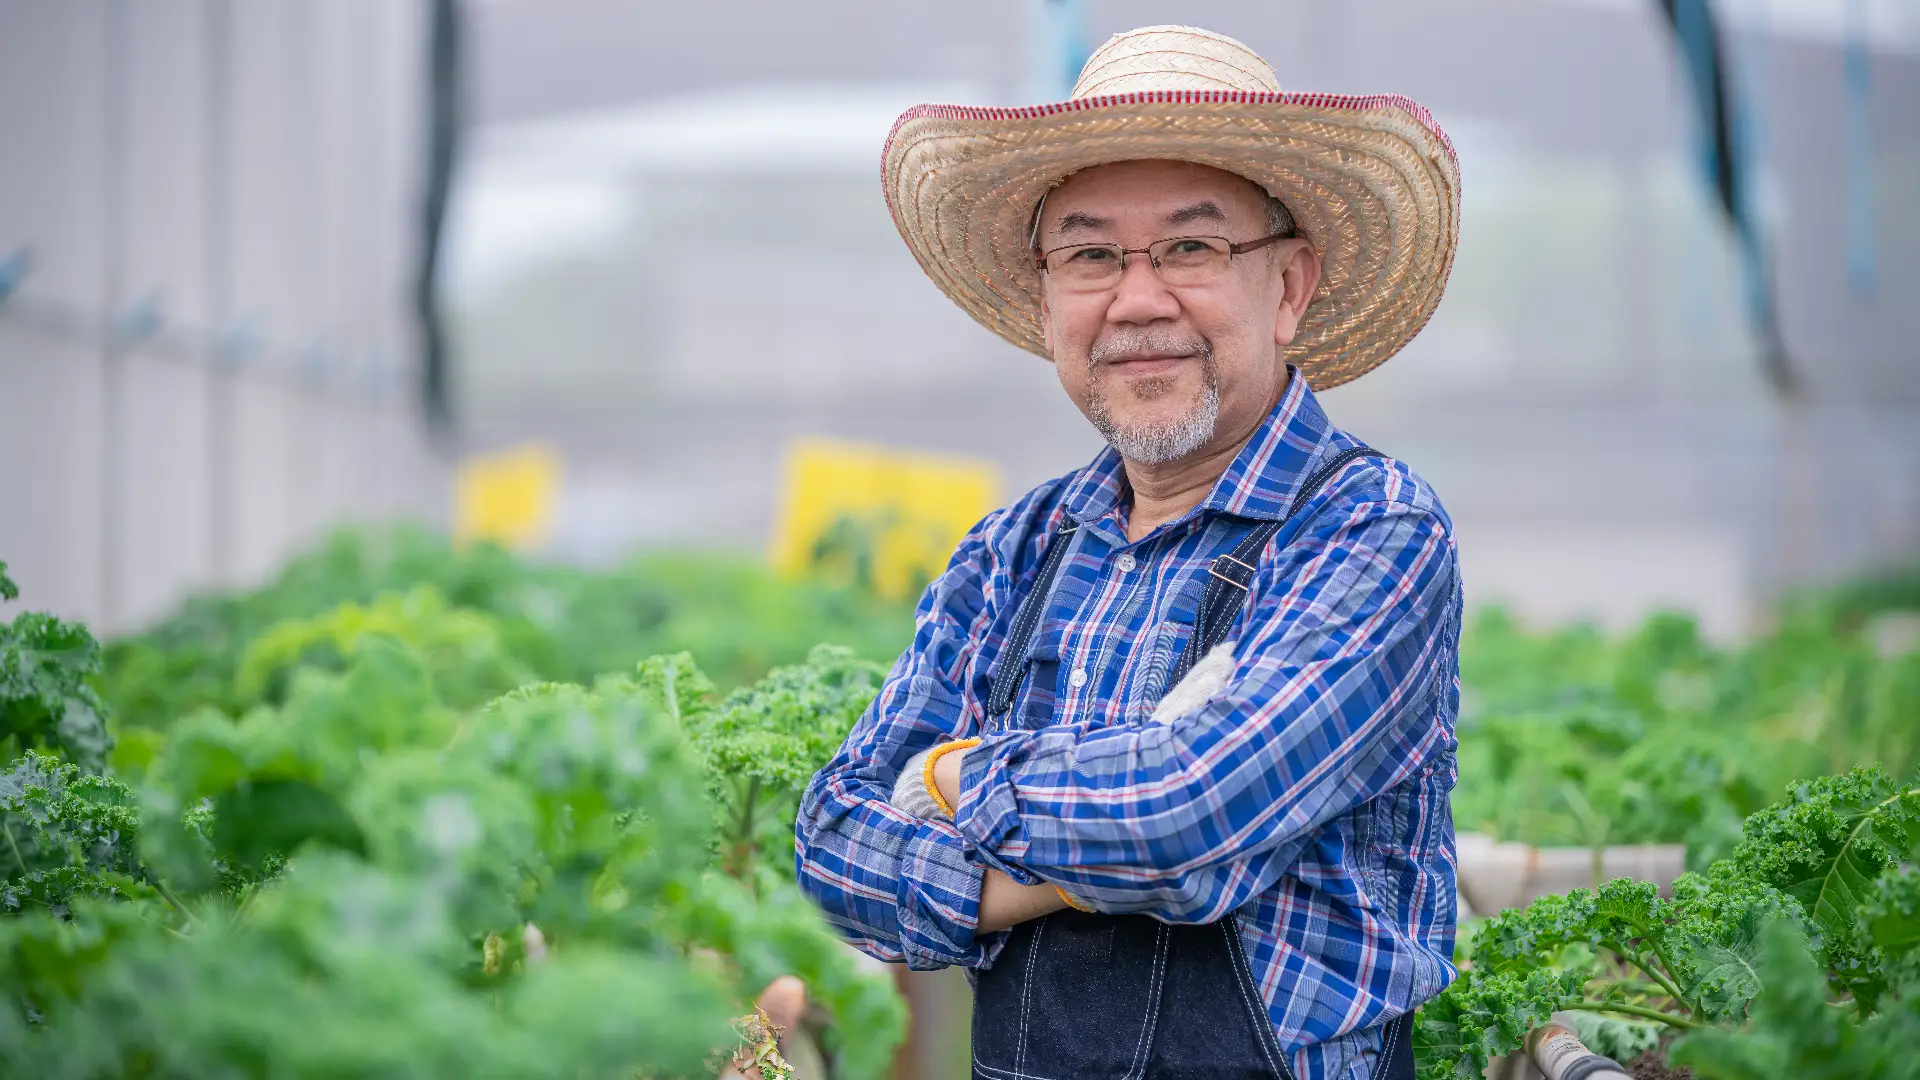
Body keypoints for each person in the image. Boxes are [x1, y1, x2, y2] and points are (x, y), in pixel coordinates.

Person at [795, 25, 1462, 1080]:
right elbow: (833, 845)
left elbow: (1183, 810)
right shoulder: (1014, 552)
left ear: (1289, 286)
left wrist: (960, 779)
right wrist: (1104, 839)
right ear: (1048, 295)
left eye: (1193, 248)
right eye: (1092, 254)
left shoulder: (1370, 529)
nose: (1138, 299)